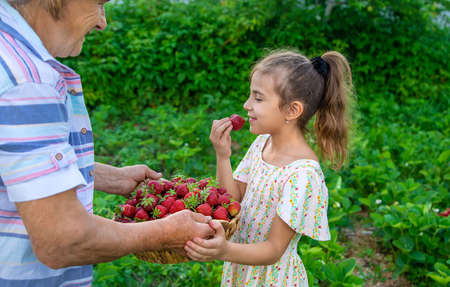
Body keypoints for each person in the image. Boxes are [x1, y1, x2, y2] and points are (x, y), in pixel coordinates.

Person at [0, 0, 213, 286]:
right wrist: (163, 232)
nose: (103, 22)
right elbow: (63, 240)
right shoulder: (29, 82)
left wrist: (112, 178)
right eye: (99, 4)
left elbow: (13, 158)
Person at [184, 50, 353, 286]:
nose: (247, 105)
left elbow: (274, 249)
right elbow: (232, 200)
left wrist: (224, 250)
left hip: (272, 279)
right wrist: (223, 156)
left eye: (258, 98)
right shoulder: (262, 143)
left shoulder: (302, 175)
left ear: (292, 110)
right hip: (241, 270)